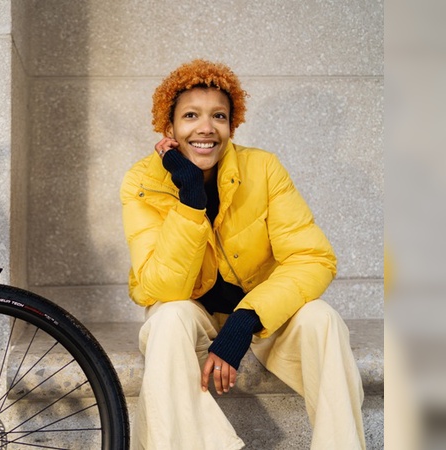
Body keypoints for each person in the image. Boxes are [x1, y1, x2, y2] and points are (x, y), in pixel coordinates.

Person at [120, 59, 366, 449]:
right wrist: (190, 201)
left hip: (261, 310)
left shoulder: (263, 168)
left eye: (219, 115)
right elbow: (163, 288)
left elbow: (314, 258)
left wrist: (245, 320)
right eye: (190, 115)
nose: (206, 128)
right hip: (190, 315)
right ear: (168, 128)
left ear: (232, 126)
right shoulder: (143, 181)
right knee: (166, 320)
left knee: (323, 319)